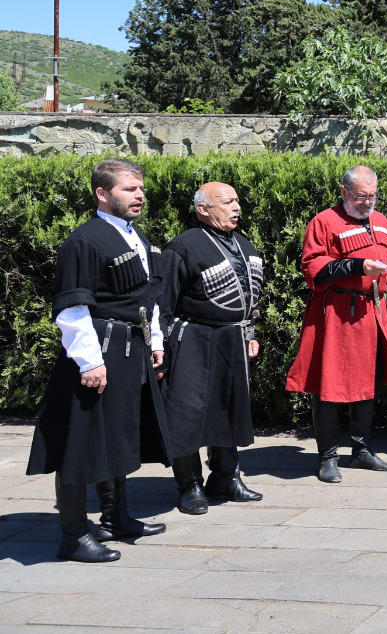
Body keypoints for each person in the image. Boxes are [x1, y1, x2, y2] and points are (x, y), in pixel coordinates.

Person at [27, 158, 168, 563]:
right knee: (79, 444)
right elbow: (72, 306)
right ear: (102, 194)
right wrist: (89, 361)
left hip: (130, 351)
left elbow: (147, 298)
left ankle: (116, 518)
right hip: (97, 353)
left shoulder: (135, 236)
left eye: (140, 188)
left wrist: (154, 340)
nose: (139, 195)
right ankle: (72, 535)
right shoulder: (84, 241)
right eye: (129, 189)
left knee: (118, 436)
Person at [285, 164, 387, 483]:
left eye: (372, 195)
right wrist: (355, 267)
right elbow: (312, 266)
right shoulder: (324, 221)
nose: (367, 202)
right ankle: (327, 456)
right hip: (337, 313)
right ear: (344, 192)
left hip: (372, 312)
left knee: (369, 383)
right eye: (360, 196)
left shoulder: (381, 221)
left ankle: (361, 450)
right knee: (329, 386)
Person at [159, 181, 264, 516]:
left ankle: (225, 477)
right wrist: (159, 347)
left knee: (229, 409)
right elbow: (163, 304)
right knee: (186, 414)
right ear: (203, 209)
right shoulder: (183, 247)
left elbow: (249, 301)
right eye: (227, 202)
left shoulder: (244, 244)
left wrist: (248, 331)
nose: (236, 208)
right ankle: (189, 485)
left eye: (237, 201)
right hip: (192, 339)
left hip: (231, 340)